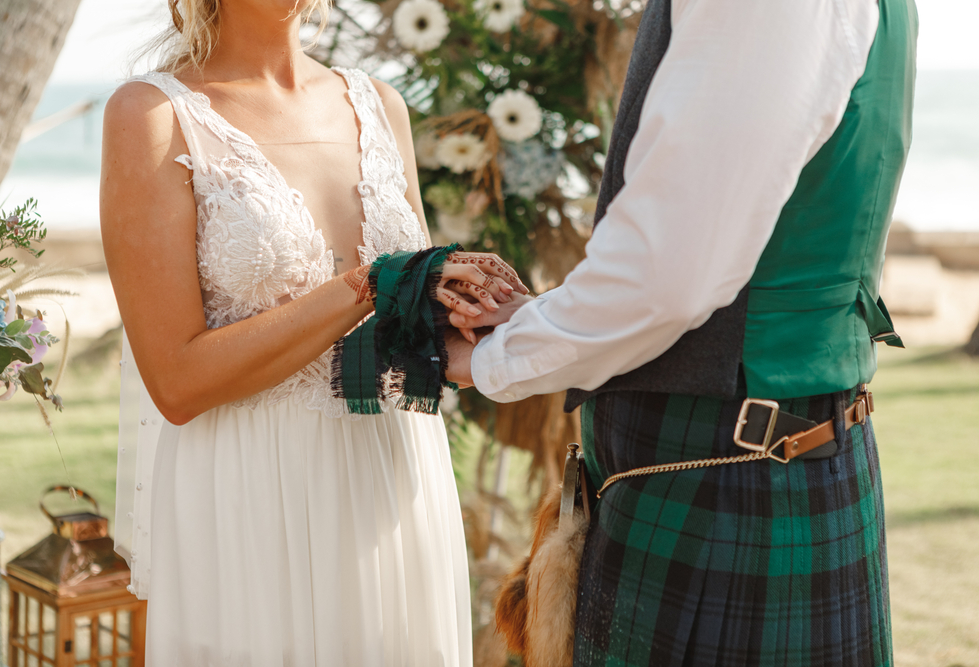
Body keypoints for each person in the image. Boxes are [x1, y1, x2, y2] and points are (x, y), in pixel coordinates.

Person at [446, 0, 916, 664]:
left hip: (728, 489)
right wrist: (535, 320)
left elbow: (670, 274)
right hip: (768, 469)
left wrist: (492, 359)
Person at [100, 0, 526, 663]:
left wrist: (489, 326)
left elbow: (400, 342)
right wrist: (376, 281)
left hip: (395, 478)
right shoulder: (153, 116)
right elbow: (176, 381)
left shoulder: (381, 105)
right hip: (250, 495)